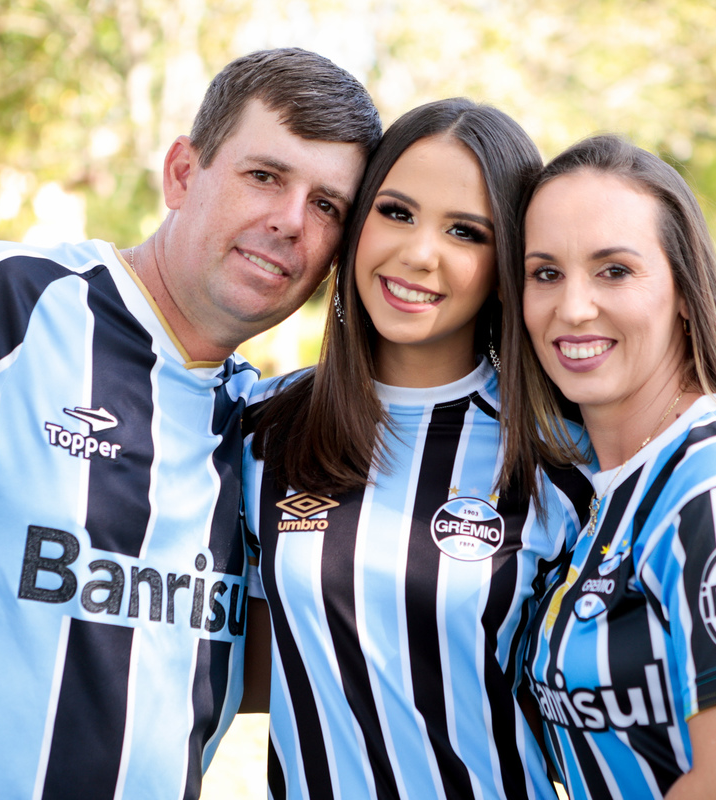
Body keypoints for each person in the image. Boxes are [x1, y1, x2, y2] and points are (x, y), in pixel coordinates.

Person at [0, 48, 379, 799]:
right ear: (182, 174)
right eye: (264, 176)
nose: (291, 221)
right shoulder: (1, 305)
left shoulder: (263, 428)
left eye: (327, 206)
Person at [241, 98, 590, 799]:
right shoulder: (261, 430)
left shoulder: (564, 458)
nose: (419, 253)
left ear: (507, 266)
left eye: (465, 232)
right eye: (396, 212)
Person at [508, 134, 716, 798]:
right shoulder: (600, 486)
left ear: (686, 292)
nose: (572, 307)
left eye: (614, 271)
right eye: (545, 273)